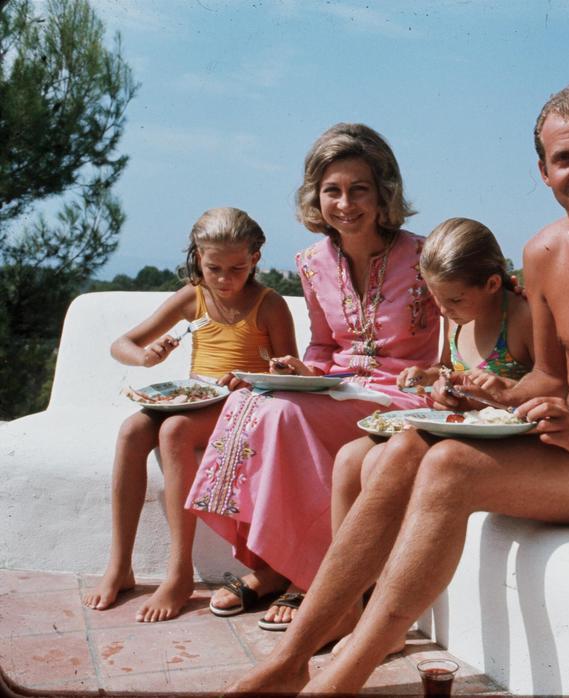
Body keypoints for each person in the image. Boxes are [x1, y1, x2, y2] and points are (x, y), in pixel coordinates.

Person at [225, 83, 569, 694]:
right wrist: (493, 392)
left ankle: (340, 679)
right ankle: (292, 661)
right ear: (542, 171)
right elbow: (551, 376)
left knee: (450, 469)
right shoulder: (544, 252)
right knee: (404, 448)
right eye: (564, 159)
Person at [186, 123, 440, 630]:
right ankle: (272, 565)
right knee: (246, 402)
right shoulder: (310, 262)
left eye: (358, 189)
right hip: (340, 388)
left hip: (402, 395)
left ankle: (312, 576)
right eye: (332, 191)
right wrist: (305, 370)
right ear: (315, 196)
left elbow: (461, 325)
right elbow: (324, 346)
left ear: (384, 190)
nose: (345, 203)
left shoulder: (424, 254)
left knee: (283, 413)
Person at [82, 207, 298, 622]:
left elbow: (288, 367)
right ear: (198, 256)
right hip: (196, 398)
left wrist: (253, 376)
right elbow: (122, 344)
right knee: (131, 431)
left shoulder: (268, 305)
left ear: (255, 257)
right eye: (213, 267)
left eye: (237, 267)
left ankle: (179, 574)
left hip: (242, 403)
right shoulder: (193, 296)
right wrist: (147, 356)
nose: (224, 279)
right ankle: (120, 565)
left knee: (175, 430)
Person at [325, 217, 533, 636]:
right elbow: (450, 369)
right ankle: (346, 607)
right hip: (458, 426)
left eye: (452, 300)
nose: (443, 310)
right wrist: (432, 380)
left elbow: (548, 381)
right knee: (349, 458)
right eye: (436, 299)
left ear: (492, 284)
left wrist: (504, 388)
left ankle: (383, 622)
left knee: (380, 463)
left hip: (499, 442)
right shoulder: (456, 316)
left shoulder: (522, 318)